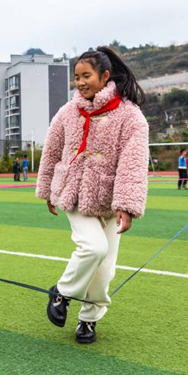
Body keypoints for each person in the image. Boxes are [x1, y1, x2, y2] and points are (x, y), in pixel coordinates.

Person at [36, 46, 148, 344]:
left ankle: (88, 320)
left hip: (110, 201)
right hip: (74, 193)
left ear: (105, 76)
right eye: (76, 77)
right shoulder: (68, 112)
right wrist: (47, 188)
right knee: (93, 248)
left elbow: (133, 161)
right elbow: (51, 152)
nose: (81, 82)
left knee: (105, 271)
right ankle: (61, 292)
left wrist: (126, 204)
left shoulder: (131, 116)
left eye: (86, 76)